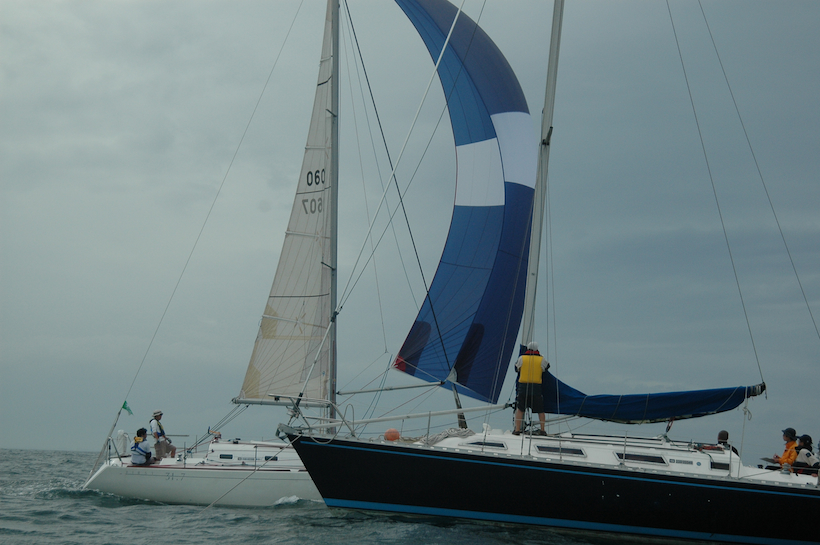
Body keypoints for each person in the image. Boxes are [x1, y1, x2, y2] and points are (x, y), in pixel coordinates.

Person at [513, 342, 549, 436]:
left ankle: (517, 430)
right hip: (536, 388)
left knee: (520, 409)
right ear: (537, 349)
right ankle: (542, 430)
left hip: (523, 387)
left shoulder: (522, 358)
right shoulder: (541, 359)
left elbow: (516, 368)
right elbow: (547, 367)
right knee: (540, 410)